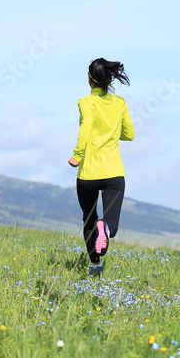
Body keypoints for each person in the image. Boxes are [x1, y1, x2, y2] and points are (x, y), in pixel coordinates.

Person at [68, 58, 134, 277]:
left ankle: (95, 266)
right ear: (108, 80)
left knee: (89, 218)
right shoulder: (120, 103)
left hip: (88, 174)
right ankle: (105, 230)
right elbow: (129, 134)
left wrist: (77, 156)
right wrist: (113, 133)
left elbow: (86, 126)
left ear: (90, 80)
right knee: (111, 222)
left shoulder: (85, 102)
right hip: (114, 174)